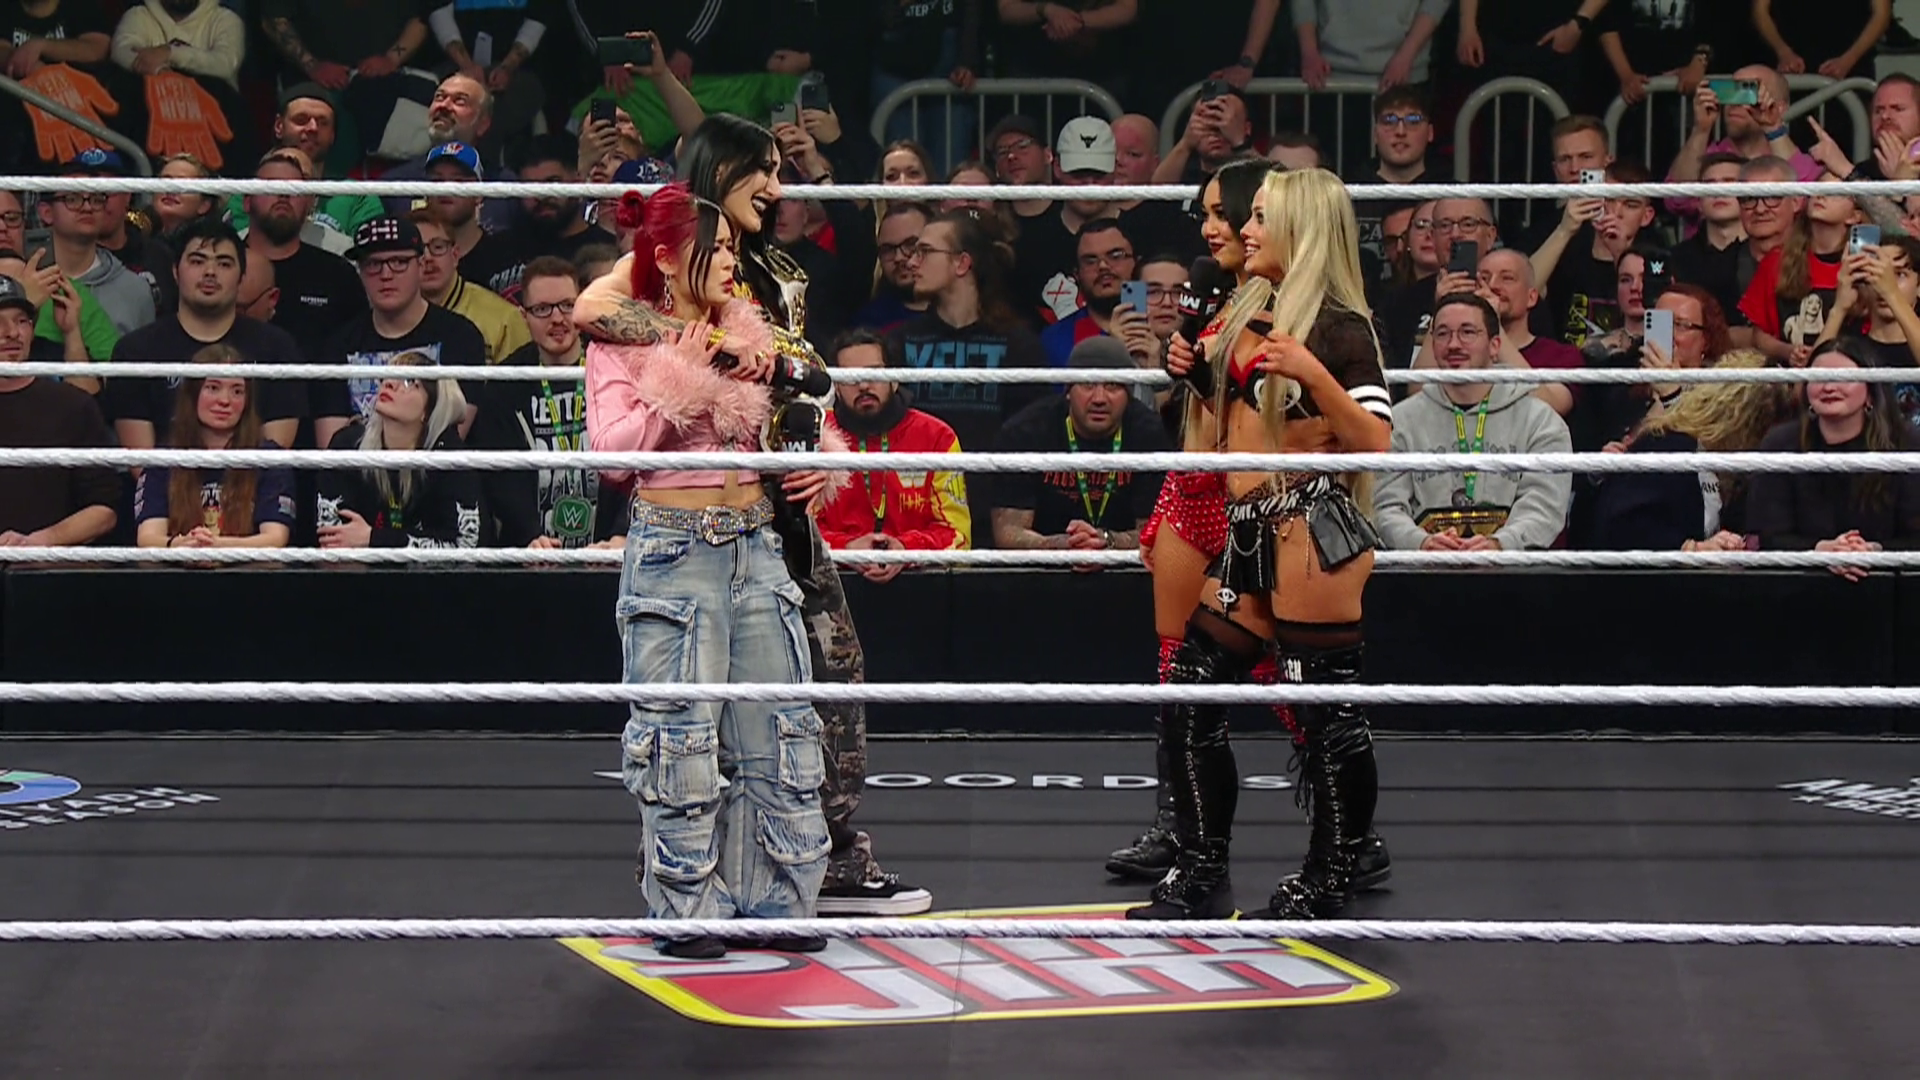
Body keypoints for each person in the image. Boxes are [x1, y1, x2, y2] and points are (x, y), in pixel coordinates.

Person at [574, 112, 931, 917]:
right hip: (684, 532)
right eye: (762, 169)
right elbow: (599, 319)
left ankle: (798, 879)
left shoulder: (770, 275)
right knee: (685, 729)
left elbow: (799, 384)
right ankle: (688, 894)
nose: (776, 185)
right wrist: (695, 352)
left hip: (770, 523)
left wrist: (815, 447)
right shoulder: (658, 266)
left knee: (801, 709)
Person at [1108, 158, 1393, 894]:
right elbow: (1250, 421)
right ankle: (1201, 868)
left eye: (1262, 216)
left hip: (1308, 530)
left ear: (1298, 227)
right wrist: (1197, 373)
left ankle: (1332, 874)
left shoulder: (1337, 324)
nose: (1247, 228)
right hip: (1249, 530)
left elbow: (1376, 441)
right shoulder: (1255, 309)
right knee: (1192, 691)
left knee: (1325, 716)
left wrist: (1313, 371)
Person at [585, 182, 839, 959]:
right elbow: (611, 457)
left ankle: (779, 903)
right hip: (674, 548)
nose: (733, 260)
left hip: (758, 542)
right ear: (667, 258)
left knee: (782, 732)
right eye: (717, 248)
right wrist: (679, 381)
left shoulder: (752, 330)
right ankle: (686, 909)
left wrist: (818, 463)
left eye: (732, 246)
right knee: (680, 743)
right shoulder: (621, 339)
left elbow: (806, 416)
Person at [133, 347, 296, 550]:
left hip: (248, 568)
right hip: (179, 566)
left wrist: (216, 546)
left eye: (237, 391)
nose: (224, 400)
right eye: (213, 388)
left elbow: (275, 538)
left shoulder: (270, 458)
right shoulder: (164, 457)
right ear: (193, 394)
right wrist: (181, 545)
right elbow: (148, 537)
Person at [315, 351, 480, 549]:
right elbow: (331, 543)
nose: (390, 383)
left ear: (429, 410)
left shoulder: (451, 459)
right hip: (357, 569)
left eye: (410, 382)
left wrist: (373, 539)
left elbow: (463, 546)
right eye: (389, 375)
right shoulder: (348, 445)